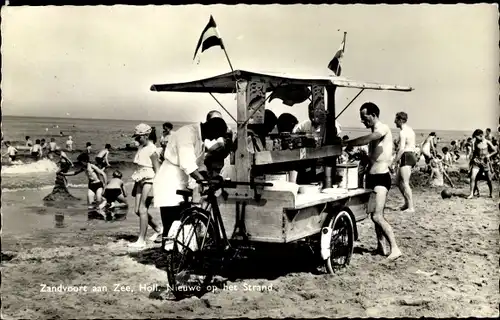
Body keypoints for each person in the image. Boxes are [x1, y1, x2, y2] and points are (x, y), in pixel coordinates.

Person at [153, 117, 228, 250]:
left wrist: (208, 176)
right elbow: (187, 163)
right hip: (170, 181)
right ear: (210, 128)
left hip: (183, 181)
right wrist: (202, 180)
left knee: (183, 220)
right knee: (171, 223)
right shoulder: (187, 134)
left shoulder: (200, 139)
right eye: (215, 135)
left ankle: (179, 254)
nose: (213, 139)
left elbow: (198, 164)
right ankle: (169, 256)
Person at [343, 102, 401, 261]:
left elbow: (370, 138)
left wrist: (349, 143)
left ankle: (395, 248)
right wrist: (363, 157)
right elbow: (374, 158)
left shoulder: (382, 128)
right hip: (373, 176)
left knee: (377, 216)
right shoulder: (375, 131)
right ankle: (381, 246)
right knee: (374, 215)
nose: (363, 121)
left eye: (364, 117)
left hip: (381, 177)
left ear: (374, 115)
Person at [130, 124, 163, 248]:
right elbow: (139, 168)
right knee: (137, 210)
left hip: (150, 180)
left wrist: (156, 187)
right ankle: (158, 228)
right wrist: (135, 185)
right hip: (140, 179)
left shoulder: (152, 149)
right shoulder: (141, 148)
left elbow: (157, 170)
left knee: (143, 209)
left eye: (139, 137)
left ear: (146, 135)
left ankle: (141, 240)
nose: (136, 140)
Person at [392, 112, 417, 213]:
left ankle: (411, 207)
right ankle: (407, 203)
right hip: (410, 155)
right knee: (398, 182)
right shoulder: (410, 130)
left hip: (406, 156)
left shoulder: (402, 132)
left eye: (396, 120)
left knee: (405, 183)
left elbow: (402, 149)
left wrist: (394, 161)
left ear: (400, 120)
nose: (394, 122)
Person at [467, 129, 497, 199]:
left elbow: (495, 151)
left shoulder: (487, 142)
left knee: (489, 179)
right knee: (472, 177)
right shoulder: (475, 142)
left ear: (481, 135)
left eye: (476, 137)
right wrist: (472, 160)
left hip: (485, 162)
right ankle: (471, 194)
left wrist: (489, 155)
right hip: (477, 161)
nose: (475, 139)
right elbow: (474, 152)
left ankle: (491, 193)